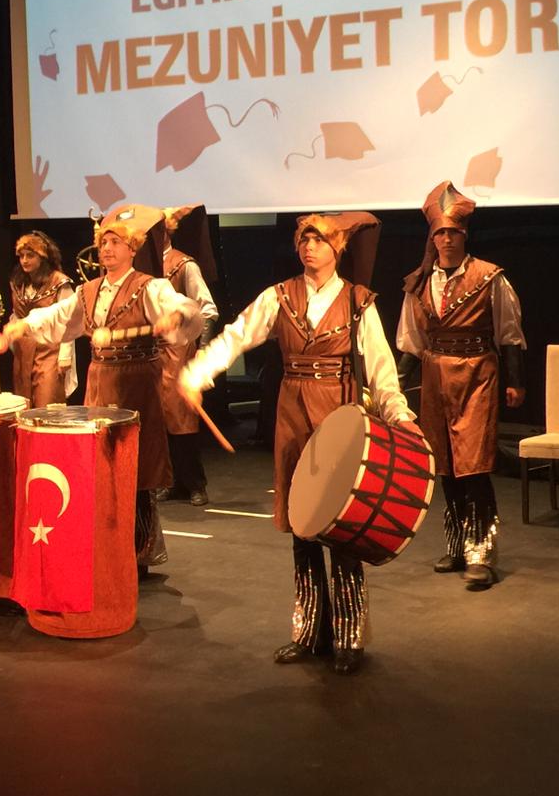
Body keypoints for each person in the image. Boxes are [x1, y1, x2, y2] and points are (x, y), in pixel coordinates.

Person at [179, 213, 419, 676]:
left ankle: (349, 636)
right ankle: (309, 632)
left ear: (337, 248)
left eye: (319, 240)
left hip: (340, 417)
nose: (309, 247)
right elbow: (237, 335)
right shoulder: (279, 296)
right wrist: (198, 372)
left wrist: (399, 416)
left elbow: (381, 369)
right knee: (303, 528)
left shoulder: (357, 302)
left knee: (342, 528)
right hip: (292, 414)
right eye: (303, 240)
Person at [0, 205, 200, 575]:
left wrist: (177, 316)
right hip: (100, 381)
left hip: (137, 384)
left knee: (135, 470)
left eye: (115, 242)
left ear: (132, 249)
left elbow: (184, 309)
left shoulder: (150, 286)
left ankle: (137, 554)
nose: (107, 249)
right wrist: (23, 326)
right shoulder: (88, 291)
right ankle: (107, 549)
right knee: (101, 467)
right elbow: (59, 317)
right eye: (103, 243)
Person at [396, 181, 526, 590]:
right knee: (446, 467)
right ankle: (455, 545)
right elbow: (410, 340)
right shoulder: (419, 283)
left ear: (465, 234)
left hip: (476, 376)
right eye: (441, 233)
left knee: (474, 468)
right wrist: (397, 385)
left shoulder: (489, 277)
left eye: (453, 232)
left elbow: (509, 332)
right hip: (436, 376)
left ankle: (480, 552)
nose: (447, 239)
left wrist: (515, 381)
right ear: (432, 238)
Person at [157, 205, 219, 507]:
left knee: (182, 419)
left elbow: (207, 309)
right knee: (159, 420)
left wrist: (201, 351)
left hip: (179, 349)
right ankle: (171, 481)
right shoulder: (142, 268)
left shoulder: (183, 265)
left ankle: (195, 483)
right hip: (150, 354)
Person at [8, 231, 77, 406]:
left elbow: (69, 318)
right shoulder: (18, 283)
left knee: (48, 402)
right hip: (23, 353)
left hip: (49, 351)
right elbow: (16, 315)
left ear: (43, 257)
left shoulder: (59, 282)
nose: (24, 260)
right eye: (21, 256)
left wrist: (65, 355)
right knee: (24, 405)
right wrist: (8, 337)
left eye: (30, 256)